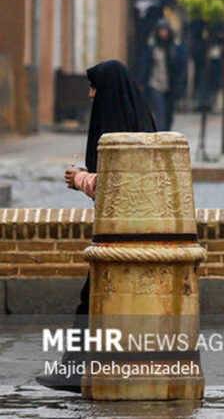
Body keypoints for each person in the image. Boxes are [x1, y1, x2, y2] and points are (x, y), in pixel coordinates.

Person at [36, 60, 157, 393]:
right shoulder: (141, 121)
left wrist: (80, 179)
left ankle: (75, 372)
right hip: (141, 233)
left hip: (120, 235)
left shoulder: (120, 130)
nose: (91, 95)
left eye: (94, 88)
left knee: (91, 300)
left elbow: (116, 183)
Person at [137, 18, 186, 131]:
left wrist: (180, 82)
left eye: (165, 30)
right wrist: (141, 82)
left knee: (169, 115)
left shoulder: (175, 47)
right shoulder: (152, 47)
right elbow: (145, 65)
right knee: (160, 115)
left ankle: (166, 134)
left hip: (171, 85)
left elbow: (181, 65)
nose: (163, 33)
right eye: (161, 31)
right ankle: (161, 137)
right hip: (156, 84)